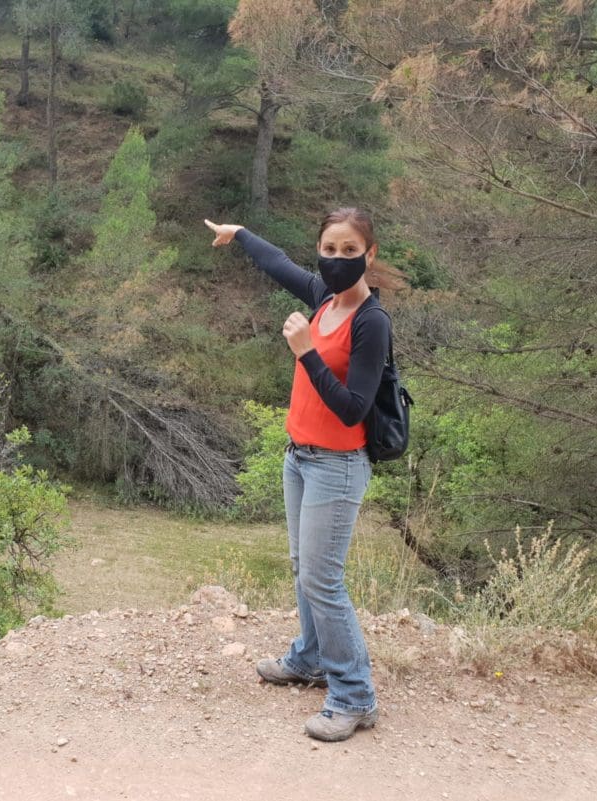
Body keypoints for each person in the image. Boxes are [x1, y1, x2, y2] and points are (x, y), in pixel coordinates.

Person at [205, 209, 396, 742]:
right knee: (302, 568)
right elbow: (277, 263)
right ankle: (312, 658)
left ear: (369, 255)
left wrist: (306, 353)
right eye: (329, 250)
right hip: (300, 458)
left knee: (323, 579)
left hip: (337, 463)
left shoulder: (369, 321)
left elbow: (353, 408)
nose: (337, 260)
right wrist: (239, 233)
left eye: (349, 250)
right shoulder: (324, 299)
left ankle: (355, 696)